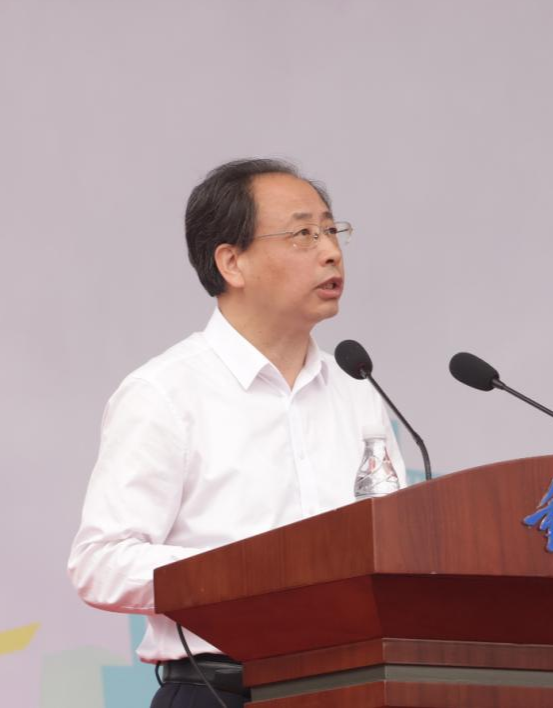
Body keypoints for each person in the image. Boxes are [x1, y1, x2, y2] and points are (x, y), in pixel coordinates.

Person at [66, 158, 406, 707]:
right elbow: (100, 564)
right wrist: (243, 573)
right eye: (302, 234)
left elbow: (391, 540)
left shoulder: (357, 389)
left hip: (353, 688)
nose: (330, 251)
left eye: (332, 230)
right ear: (232, 262)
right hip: (220, 692)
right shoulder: (166, 393)